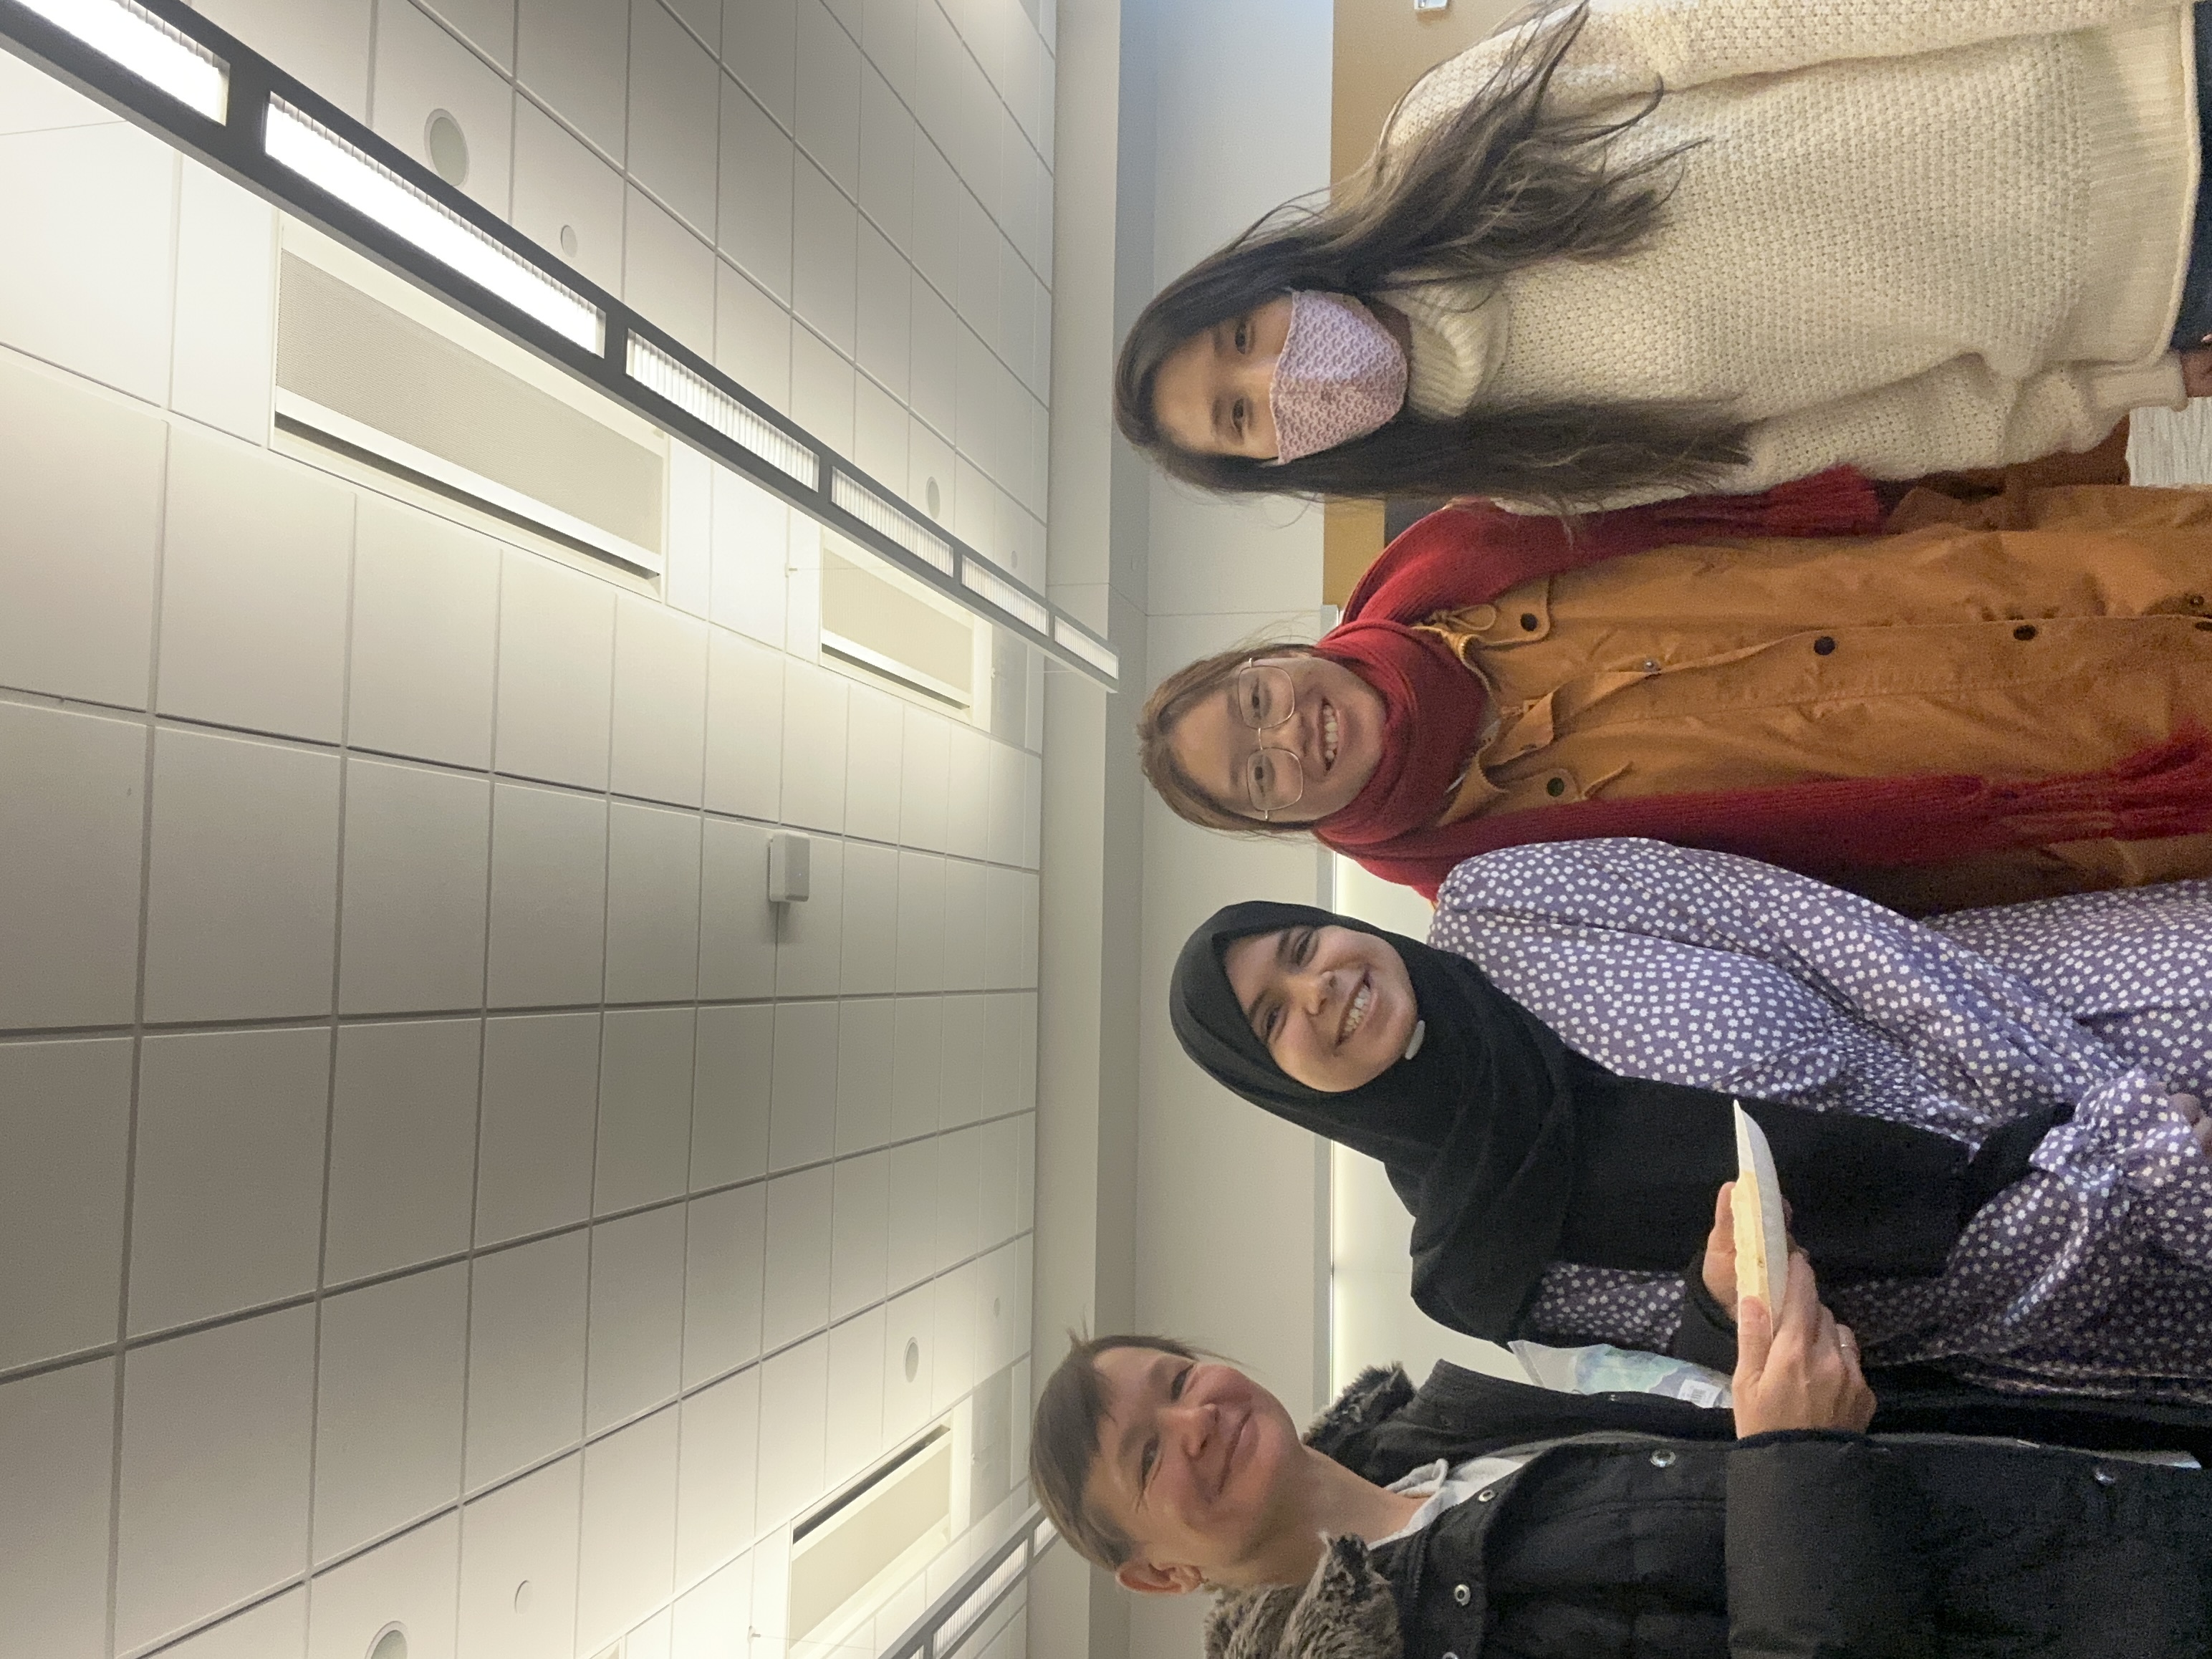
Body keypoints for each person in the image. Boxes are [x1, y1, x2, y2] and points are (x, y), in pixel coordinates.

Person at [1168, 838, 2212, 1406]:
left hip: (2056, 1013)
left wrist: (2104, 1107)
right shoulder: (1485, 1264)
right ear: (1282, 1087)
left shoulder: (1509, 903)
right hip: (2074, 1274)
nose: (1319, 990)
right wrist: (2100, 1184)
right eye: (1272, 1019)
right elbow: (1838, 1334)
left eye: (1303, 947)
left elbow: (1816, 931)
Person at [1115, 0, 2212, 511]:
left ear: (1270, 280)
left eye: (1242, 339)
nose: (1277, 378)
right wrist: (2124, 387)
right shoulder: (1526, 474)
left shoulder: (1445, 133)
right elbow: (1866, 433)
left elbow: (1763, 20)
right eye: (1240, 415)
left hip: (2143, 65)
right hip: (2151, 289)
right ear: (1277, 464)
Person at [1028, 1251, 2212, 1653]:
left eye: (1179, 1382)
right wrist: (1799, 1462)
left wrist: (1715, 1309)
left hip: (2097, 1495)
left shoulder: (1436, 1443)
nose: (1196, 1420)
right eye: (1147, 1459)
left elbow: (1693, 1469)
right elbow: (1774, 1484)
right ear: (1161, 1574)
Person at [1138, 476, 2212, 911]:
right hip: (2096, 779)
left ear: (1269, 659)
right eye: (1261, 777)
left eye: (1255, 704)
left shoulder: (1465, 543)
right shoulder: (1507, 892)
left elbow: (1766, 486)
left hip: (2061, 566)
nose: (1289, 735)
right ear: (1292, 820)